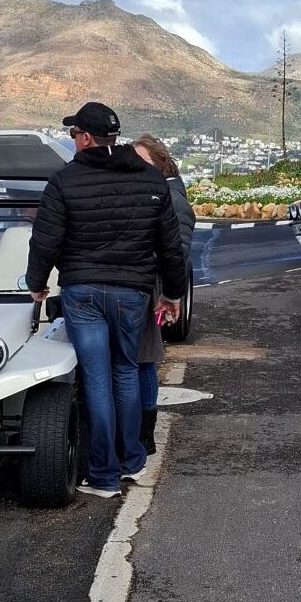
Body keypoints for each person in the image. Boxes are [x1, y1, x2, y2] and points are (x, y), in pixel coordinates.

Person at [26, 102, 187, 499]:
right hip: (131, 294)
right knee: (126, 372)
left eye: (73, 135)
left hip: (82, 293)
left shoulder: (64, 181)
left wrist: (36, 284)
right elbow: (170, 247)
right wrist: (171, 293)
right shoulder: (151, 180)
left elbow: (45, 240)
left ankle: (103, 475)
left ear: (84, 137)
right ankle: (131, 460)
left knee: (97, 379)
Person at [132, 134, 195, 454]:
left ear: (160, 164)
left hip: (153, 290)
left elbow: (178, 254)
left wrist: (170, 296)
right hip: (148, 287)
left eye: (142, 162)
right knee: (143, 360)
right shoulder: (161, 194)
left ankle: (145, 435)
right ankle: (143, 433)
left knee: (144, 361)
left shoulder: (173, 200)